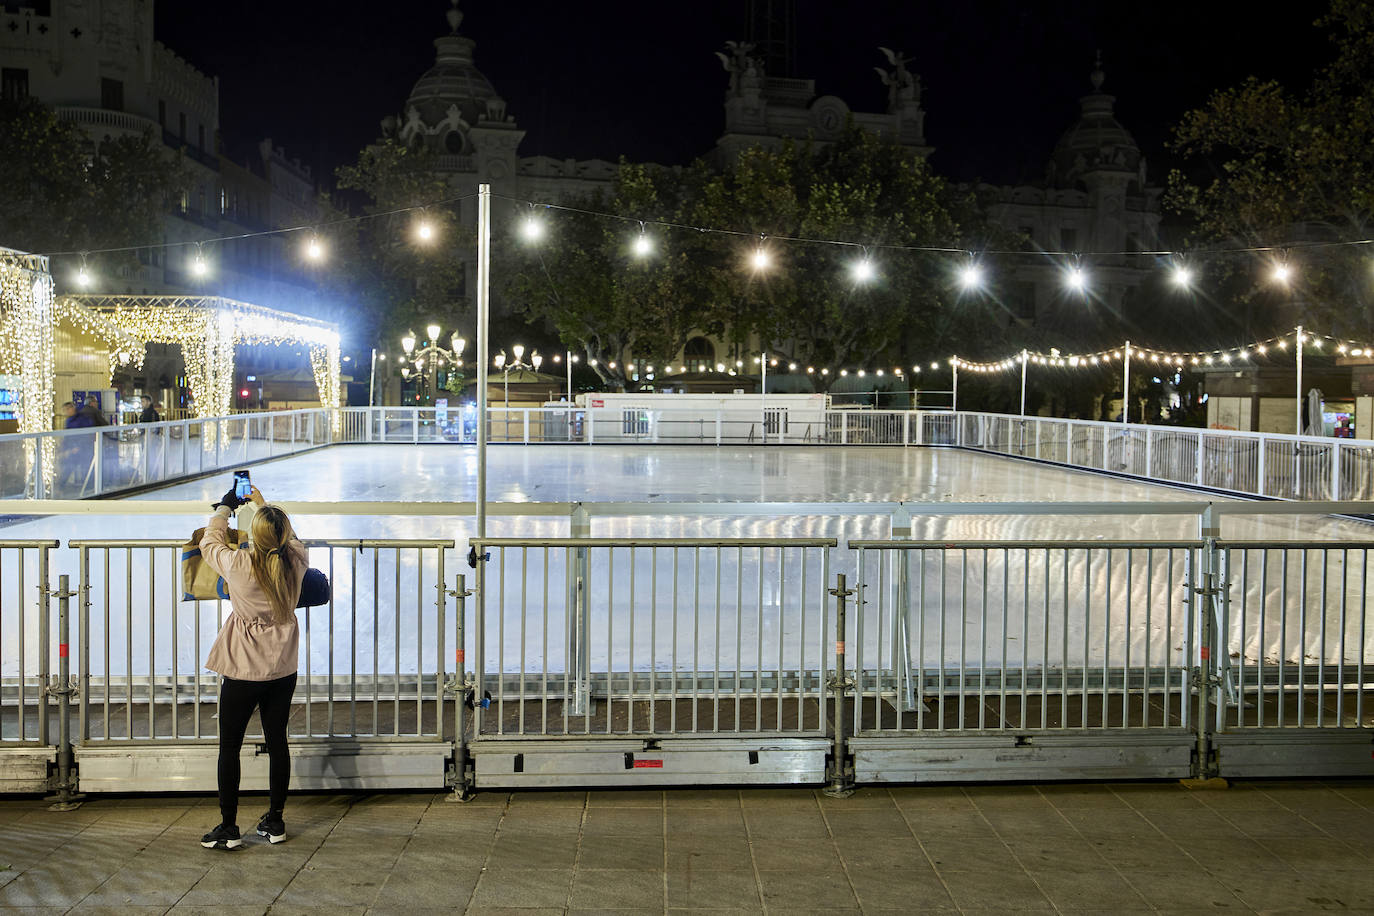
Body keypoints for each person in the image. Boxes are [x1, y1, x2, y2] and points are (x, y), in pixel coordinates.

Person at [198, 483, 307, 850]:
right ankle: (275, 821)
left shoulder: (239, 564)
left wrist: (225, 508)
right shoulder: (296, 559)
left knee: (230, 746)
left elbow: (210, 543)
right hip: (282, 668)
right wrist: (263, 505)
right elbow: (291, 539)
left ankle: (228, 827)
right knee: (278, 742)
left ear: (254, 536)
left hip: (243, 668)